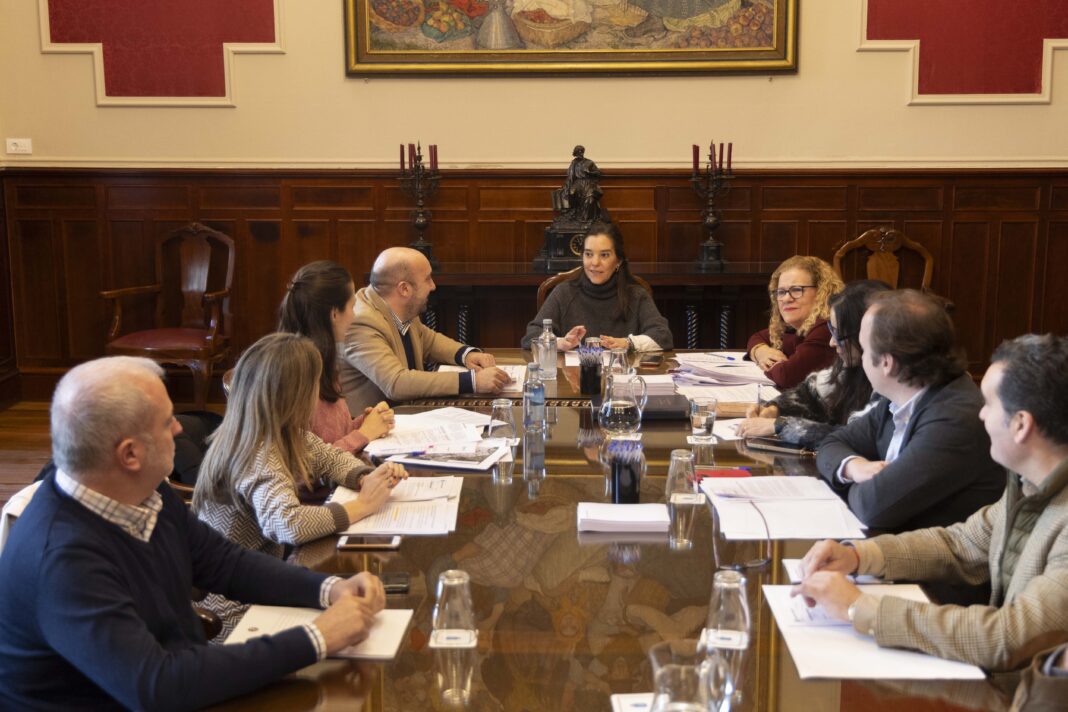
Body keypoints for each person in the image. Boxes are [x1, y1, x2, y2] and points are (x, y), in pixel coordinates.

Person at [0, 356, 387, 711]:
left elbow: (226, 564)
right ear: (129, 455)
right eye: (166, 421)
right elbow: (157, 686)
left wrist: (329, 588)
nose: (179, 427)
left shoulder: (143, 490)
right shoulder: (62, 559)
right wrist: (317, 638)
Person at [794, 333, 1068, 672]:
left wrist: (860, 608)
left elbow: (1007, 638)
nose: (981, 415)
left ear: (1021, 424)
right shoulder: (1028, 485)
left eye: (988, 404)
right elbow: (960, 544)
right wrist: (857, 555)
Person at [194, 333, 407, 633]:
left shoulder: (282, 432)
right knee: (366, 622)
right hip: (236, 614)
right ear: (296, 396)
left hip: (263, 589)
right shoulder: (259, 452)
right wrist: (362, 506)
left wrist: (365, 477)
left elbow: (330, 458)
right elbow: (287, 524)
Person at [817, 289, 1004, 533]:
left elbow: (873, 507)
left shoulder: (954, 419)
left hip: (935, 554)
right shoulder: (898, 397)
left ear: (887, 363)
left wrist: (856, 484)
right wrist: (853, 467)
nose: (862, 359)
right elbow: (832, 443)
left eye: (864, 349)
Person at [339, 247, 511, 414]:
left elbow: (429, 341)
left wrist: (466, 355)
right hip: (367, 426)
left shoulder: (400, 307)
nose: (433, 286)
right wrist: (472, 381)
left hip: (403, 415)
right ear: (404, 289)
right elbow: (396, 383)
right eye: (427, 279)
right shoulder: (360, 322)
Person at [737, 280, 890, 448]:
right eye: (832, 331)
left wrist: (781, 425)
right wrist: (775, 409)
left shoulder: (888, 383)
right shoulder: (852, 368)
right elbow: (811, 393)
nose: (832, 342)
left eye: (839, 335)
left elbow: (857, 438)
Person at [279, 260, 396, 456]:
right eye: (352, 307)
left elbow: (330, 435)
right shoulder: (296, 377)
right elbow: (307, 465)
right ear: (334, 314)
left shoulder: (323, 360)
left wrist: (365, 423)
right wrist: (364, 434)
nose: (354, 316)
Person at [521, 222, 673, 352]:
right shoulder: (563, 292)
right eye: (588, 254)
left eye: (604, 255)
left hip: (622, 375)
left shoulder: (636, 295)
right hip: (573, 376)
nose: (594, 263)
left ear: (618, 261)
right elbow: (531, 336)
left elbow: (663, 336)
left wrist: (628, 343)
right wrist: (560, 343)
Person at [747, 255, 844, 389]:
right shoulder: (802, 326)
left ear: (822, 292)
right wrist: (760, 351)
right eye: (781, 292)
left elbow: (787, 376)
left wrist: (769, 364)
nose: (786, 299)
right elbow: (759, 336)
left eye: (797, 290)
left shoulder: (826, 327)